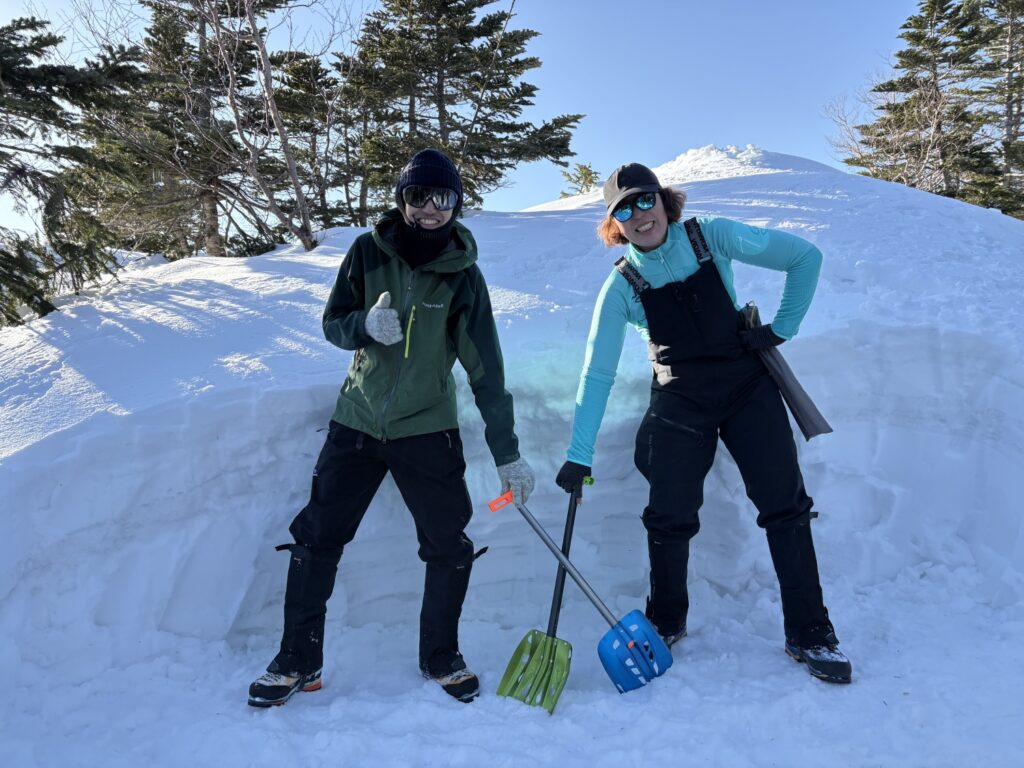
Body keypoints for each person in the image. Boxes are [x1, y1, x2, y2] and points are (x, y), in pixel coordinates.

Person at [248, 149, 535, 707]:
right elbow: (333, 323)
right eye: (417, 197)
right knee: (317, 538)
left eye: (442, 199)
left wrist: (508, 454)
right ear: (401, 199)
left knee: (448, 543)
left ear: (456, 204)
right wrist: (363, 326)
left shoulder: (464, 279)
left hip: (427, 429)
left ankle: (441, 657)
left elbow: (487, 372)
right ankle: (297, 661)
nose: (428, 210)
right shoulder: (365, 253)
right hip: (356, 421)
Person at [554, 163, 852, 684]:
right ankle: (666, 620)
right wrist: (580, 453)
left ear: (665, 201)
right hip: (679, 399)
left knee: (785, 507)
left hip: (746, 388)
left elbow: (805, 257)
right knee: (668, 515)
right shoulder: (622, 285)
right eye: (622, 209)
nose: (638, 215)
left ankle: (810, 632)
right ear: (614, 225)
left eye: (644, 200)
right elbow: (597, 371)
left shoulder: (711, 236)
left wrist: (782, 329)